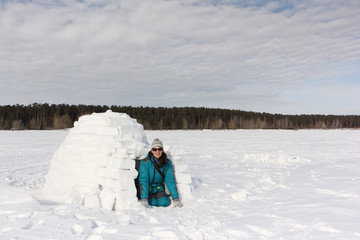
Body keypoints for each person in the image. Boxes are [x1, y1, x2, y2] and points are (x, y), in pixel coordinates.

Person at [138, 138, 183, 208]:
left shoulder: (167, 163)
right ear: (151, 151)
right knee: (151, 202)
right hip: (148, 188)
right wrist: (144, 198)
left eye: (160, 149)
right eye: (154, 149)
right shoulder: (145, 163)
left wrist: (175, 198)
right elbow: (144, 180)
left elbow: (170, 180)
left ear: (162, 150)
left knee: (165, 202)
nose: (157, 152)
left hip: (159, 188)